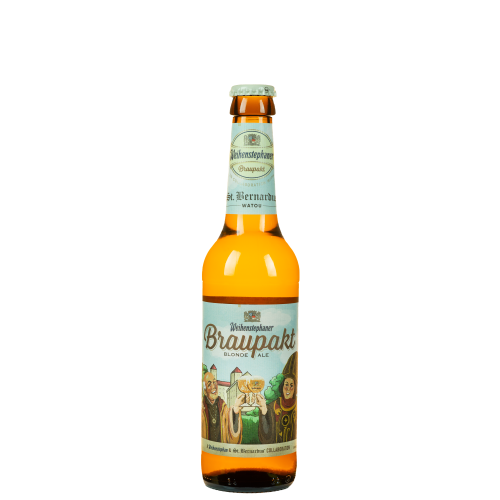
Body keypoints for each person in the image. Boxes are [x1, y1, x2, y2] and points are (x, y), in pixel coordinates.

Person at [257, 352, 298, 444]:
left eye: (291, 385)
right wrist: (263, 409)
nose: (288, 388)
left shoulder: (296, 406)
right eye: (286, 384)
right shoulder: (274, 406)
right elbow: (267, 435)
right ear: (282, 387)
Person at [201, 372, 245, 444]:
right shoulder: (202, 409)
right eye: (209, 384)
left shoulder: (223, 407)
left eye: (214, 382)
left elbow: (231, 435)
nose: (213, 386)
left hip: (221, 449)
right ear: (205, 392)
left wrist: (236, 410)